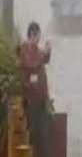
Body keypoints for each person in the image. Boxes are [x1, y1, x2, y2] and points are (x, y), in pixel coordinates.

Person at [17, 21, 52, 157]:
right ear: (31, 34)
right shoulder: (25, 49)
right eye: (36, 35)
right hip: (31, 100)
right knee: (33, 133)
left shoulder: (37, 50)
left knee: (43, 134)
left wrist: (48, 51)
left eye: (39, 35)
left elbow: (45, 59)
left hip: (41, 98)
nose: (38, 38)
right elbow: (31, 63)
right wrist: (44, 54)